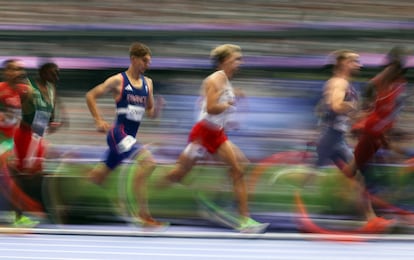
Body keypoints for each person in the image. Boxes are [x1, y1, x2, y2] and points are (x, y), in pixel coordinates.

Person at [158, 44, 268, 233]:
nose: (239, 63)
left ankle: (242, 218)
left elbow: (217, 108)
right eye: (236, 59)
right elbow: (211, 108)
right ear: (224, 61)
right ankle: (149, 190)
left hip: (216, 133)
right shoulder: (215, 80)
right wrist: (229, 104)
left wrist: (232, 106)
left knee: (240, 167)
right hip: (204, 135)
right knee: (178, 174)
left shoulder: (225, 80)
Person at [85, 42, 165, 227]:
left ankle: (65, 185)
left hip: (129, 137)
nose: (147, 64)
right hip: (117, 134)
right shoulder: (118, 81)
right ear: (133, 59)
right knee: (148, 163)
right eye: (145, 61)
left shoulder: (148, 84)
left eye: (149, 61)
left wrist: (158, 108)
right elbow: (91, 96)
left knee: (97, 178)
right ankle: (143, 215)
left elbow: (151, 113)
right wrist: (98, 120)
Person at [313, 49, 394, 231]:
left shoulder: (342, 83)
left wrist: (360, 114)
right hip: (331, 138)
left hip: (336, 137)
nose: (360, 65)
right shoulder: (339, 82)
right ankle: (290, 181)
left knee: (356, 177)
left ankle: (370, 218)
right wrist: (353, 106)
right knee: (312, 175)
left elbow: (323, 109)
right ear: (343, 63)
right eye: (355, 61)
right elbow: (335, 105)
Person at [343, 47, 408, 187]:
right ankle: (343, 195)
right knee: (355, 168)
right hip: (373, 131)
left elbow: (391, 111)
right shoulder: (386, 83)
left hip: (378, 130)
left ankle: (362, 192)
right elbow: (372, 86)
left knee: (366, 167)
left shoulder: (398, 84)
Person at [0, 59, 40, 227]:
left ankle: (18, 217)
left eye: (22, 69)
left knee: (16, 174)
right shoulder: (1, 90)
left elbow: (29, 112)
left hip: (9, 140)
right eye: (16, 69)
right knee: (12, 173)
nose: (20, 72)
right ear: (7, 72)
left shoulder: (23, 91)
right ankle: (18, 216)